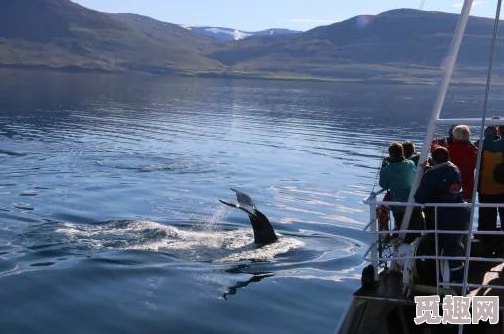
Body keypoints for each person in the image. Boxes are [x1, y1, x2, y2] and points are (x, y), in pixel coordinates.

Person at [414, 146, 470, 283]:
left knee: (438, 245)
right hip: (459, 213)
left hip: (440, 216)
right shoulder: (454, 169)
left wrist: (426, 173)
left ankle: (438, 277)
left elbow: (420, 197)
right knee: (454, 246)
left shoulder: (432, 175)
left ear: (433, 160)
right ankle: (458, 277)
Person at [379, 142, 423, 242]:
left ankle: (387, 234)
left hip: (398, 205)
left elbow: (383, 185)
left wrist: (384, 167)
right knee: (414, 228)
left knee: (382, 210)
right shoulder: (411, 164)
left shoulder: (387, 170)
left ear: (390, 155)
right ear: (402, 152)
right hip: (413, 202)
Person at [477, 126, 504, 252]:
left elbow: (488, 144)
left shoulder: (484, 146)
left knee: (487, 219)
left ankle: (487, 245)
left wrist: (490, 133)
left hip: (486, 188)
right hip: (501, 189)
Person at [447, 125, 477, 201]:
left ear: (454, 137)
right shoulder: (474, 151)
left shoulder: (448, 151)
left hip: (451, 191)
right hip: (468, 191)